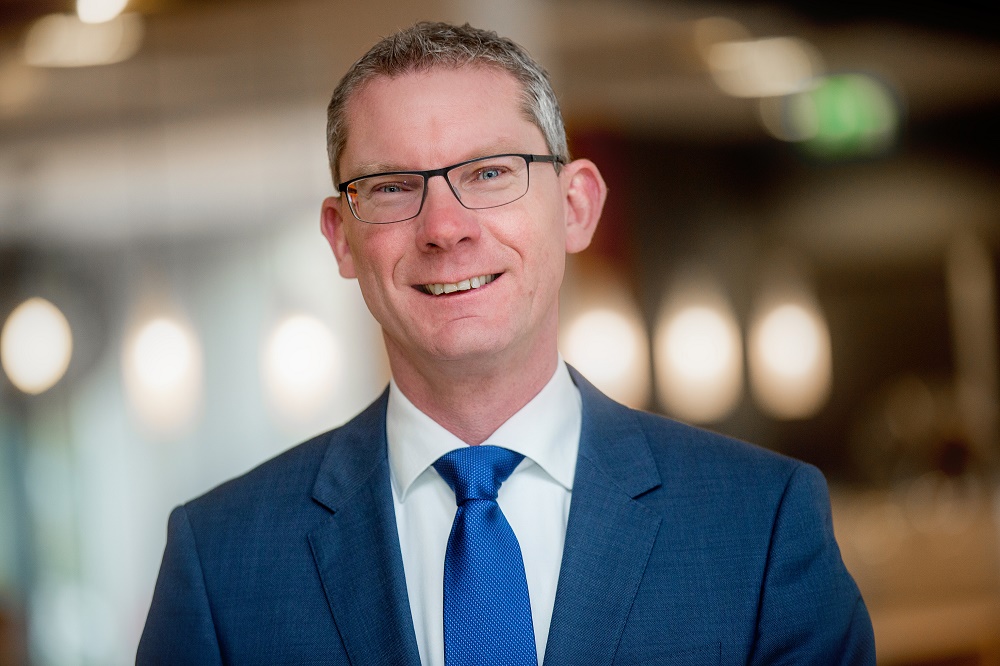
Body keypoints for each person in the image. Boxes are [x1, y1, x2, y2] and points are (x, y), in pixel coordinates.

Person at [138, 21, 876, 665]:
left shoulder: (760, 523)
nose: (444, 228)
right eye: (392, 187)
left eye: (490, 173)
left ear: (576, 206)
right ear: (340, 237)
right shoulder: (221, 561)